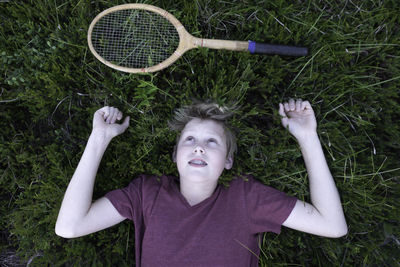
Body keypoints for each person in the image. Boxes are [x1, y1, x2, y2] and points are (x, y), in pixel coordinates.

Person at [55, 99, 348, 267]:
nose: (199, 148)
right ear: (175, 155)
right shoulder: (147, 193)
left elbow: (332, 225)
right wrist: (99, 139)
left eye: (212, 142)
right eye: (190, 140)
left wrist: (308, 137)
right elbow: (69, 226)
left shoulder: (246, 198)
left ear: (228, 161)